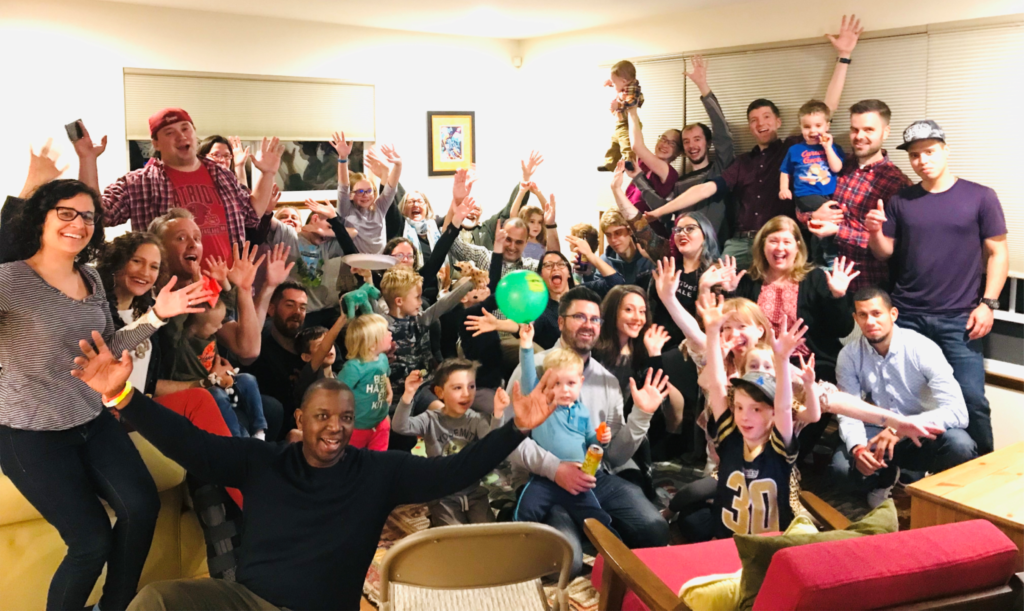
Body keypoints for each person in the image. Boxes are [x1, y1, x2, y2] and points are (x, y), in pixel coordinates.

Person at [71, 331, 561, 611]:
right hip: (250, 603)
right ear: (300, 420)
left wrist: (515, 428)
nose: (335, 428)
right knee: (157, 600)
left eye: (346, 418)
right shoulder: (260, 460)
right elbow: (191, 445)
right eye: (323, 417)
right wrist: (122, 396)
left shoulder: (378, 470)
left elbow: (455, 472)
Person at [0, 179, 209, 611]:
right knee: (90, 542)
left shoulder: (92, 277)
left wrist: (157, 315)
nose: (80, 223)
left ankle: (115, 605)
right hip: (30, 433)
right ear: (41, 217)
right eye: (67, 213)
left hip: (91, 420)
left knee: (142, 507)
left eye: (89, 216)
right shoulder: (9, 279)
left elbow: (109, 348)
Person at [643, 16, 864, 269]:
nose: (761, 124)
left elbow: (826, 111)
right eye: (754, 120)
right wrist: (660, 212)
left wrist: (844, 57)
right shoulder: (742, 164)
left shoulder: (794, 149)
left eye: (767, 117)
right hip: (740, 245)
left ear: (778, 122)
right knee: (722, 293)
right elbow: (704, 189)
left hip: (780, 242)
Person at [866, 120, 1008, 455]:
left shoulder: (980, 197)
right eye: (915, 155)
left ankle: (984, 474)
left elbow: (998, 253)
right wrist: (873, 231)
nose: (922, 160)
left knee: (972, 399)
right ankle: (908, 473)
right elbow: (885, 252)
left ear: (944, 149)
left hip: (960, 319)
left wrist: (988, 303)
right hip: (907, 317)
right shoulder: (901, 201)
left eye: (929, 151)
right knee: (901, 398)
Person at [506, 286, 670, 576]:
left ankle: (582, 526)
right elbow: (505, 440)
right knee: (565, 563)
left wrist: (641, 416)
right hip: (543, 479)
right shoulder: (533, 369)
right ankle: (542, 523)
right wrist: (555, 469)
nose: (588, 325)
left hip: (595, 477)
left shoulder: (607, 382)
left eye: (595, 319)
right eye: (579, 316)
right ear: (560, 322)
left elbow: (615, 457)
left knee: (655, 529)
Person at [832, 287, 976, 507]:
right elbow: (846, 409)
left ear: (893, 314)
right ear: (855, 319)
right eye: (863, 315)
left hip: (919, 434)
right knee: (840, 469)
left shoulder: (922, 348)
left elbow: (958, 412)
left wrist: (900, 428)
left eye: (877, 313)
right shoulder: (849, 356)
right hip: (877, 436)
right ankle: (888, 478)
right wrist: (858, 448)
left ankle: (926, 493)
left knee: (960, 445)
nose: (870, 321)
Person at [75, 112, 284, 263]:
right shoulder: (139, 182)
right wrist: (87, 159)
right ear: (155, 143)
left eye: (185, 129)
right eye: (169, 132)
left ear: (195, 134)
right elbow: (98, 214)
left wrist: (267, 174)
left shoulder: (222, 174)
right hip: (171, 293)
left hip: (226, 288)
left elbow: (251, 213)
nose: (181, 136)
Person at [682, 291, 804, 541]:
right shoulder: (730, 439)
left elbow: (782, 407)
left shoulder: (779, 449)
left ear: (771, 412)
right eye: (739, 408)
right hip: (727, 541)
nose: (745, 417)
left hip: (770, 546)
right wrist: (713, 332)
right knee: (690, 521)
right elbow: (716, 385)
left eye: (756, 409)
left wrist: (781, 360)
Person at [726, 216, 856, 384]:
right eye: (773, 241)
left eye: (787, 242)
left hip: (808, 362)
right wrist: (729, 292)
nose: (780, 248)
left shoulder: (815, 278)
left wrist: (838, 297)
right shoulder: (748, 281)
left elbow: (843, 330)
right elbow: (731, 328)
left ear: (797, 247)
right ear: (762, 246)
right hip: (760, 364)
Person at [800, 99, 912, 291]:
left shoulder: (897, 183)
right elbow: (804, 201)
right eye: (854, 129)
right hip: (822, 277)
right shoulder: (836, 164)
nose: (859, 136)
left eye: (868, 130)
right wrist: (812, 216)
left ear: (885, 132)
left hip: (864, 285)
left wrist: (837, 231)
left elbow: (890, 248)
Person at [514, 325, 617, 534]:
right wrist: (526, 344)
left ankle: (613, 557)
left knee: (598, 522)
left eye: (570, 383)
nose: (564, 389)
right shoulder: (542, 403)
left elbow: (591, 441)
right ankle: (517, 547)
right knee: (525, 513)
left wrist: (601, 439)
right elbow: (527, 375)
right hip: (545, 479)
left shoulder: (583, 412)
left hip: (579, 477)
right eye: (557, 383)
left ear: (580, 383)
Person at [629, 55, 735, 241]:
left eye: (697, 139)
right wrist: (638, 177)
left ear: (708, 142)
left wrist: (703, 87)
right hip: (684, 252)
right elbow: (662, 209)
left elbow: (722, 133)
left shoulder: (721, 169)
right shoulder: (679, 182)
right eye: (686, 141)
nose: (692, 145)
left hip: (717, 250)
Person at [392, 362, 504, 526]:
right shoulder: (430, 419)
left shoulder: (476, 420)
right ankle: (435, 520)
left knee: (487, 533)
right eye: (457, 388)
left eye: (471, 386)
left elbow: (493, 447)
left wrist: (498, 414)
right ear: (440, 392)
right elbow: (400, 426)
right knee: (454, 538)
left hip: (474, 493)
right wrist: (409, 393)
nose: (466, 394)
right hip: (443, 494)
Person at [779, 100, 845, 267]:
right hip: (805, 194)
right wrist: (783, 188)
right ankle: (828, 254)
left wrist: (828, 148)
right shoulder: (795, 150)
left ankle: (816, 255)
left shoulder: (833, 148)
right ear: (801, 128)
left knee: (822, 222)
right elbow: (785, 170)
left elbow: (836, 168)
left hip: (826, 194)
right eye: (807, 127)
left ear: (827, 126)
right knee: (833, 215)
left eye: (818, 125)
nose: (813, 130)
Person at [240, 281, 309, 419]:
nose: (297, 312)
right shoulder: (259, 347)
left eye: (302, 307)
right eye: (290, 305)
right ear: (271, 309)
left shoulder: (313, 343)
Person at [332, 131, 402, 254]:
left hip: (379, 265)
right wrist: (343, 158)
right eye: (360, 191)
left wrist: (398, 165)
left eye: (369, 191)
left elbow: (391, 188)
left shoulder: (380, 207)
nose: (365, 195)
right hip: (358, 267)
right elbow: (343, 186)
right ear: (351, 195)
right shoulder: (346, 210)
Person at [338, 313, 394, 450]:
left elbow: (384, 375)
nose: (390, 333)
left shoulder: (382, 358)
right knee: (351, 460)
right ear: (372, 345)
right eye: (385, 331)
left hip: (380, 424)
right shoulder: (354, 368)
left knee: (378, 461)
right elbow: (337, 392)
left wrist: (389, 390)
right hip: (357, 428)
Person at [599, 60, 644, 171]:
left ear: (624, 81)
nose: (613, 85)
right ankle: (610, 163)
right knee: (614, 143)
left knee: (626, 143)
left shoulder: (632, 89)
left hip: (627, 123)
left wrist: (618, 105)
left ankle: (630, 161)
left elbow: (632, 102)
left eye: (614, 83)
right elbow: (619, 85)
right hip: (620, 123)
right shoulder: (624, 85)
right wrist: (610, 82)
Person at [598, 209, 654, 285]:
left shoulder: (648, 256)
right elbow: (596, 294)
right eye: (608, 235)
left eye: (618, 233)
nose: (613, 240)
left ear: (630, 230)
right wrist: (588, 275)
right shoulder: (604, 261)